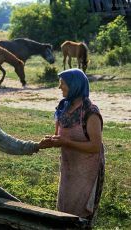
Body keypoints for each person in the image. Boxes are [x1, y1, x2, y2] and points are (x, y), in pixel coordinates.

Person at [49, 68, 105, 225]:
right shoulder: (63, 107)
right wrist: (50, 141)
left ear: (74, 85)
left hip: (87, 171)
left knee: (79, 217)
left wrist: (66, 143)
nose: (60, 87)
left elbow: (95, 146)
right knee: (64, 210)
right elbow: (59, 136)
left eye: (63, 83)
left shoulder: (90, 112)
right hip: (68, 169)